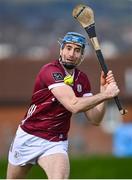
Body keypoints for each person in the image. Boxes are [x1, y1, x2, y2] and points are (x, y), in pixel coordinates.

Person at [6, 32, 120, 179]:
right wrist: (106, 95)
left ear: (82, 55)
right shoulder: (50, 70)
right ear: (61, 50)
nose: (72, 53)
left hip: (55, 142)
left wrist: (103, 91)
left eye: (77, 50)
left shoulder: (82, 79)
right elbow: (73, 105)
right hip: (28, 136)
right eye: (68, 48)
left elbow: (95, 119)